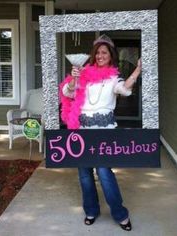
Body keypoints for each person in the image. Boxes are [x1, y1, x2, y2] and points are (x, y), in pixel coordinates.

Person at [59, 34, 141, 231]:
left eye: (104, 52)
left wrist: (138, 70)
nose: (100, 56)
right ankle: (91, 210)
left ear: (110, 55)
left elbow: (124, 88)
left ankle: (120, 214)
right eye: (97, 53)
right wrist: (73, 79)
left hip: (104, 131)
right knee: (85, 174)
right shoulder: (84, 73)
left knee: (104, 172)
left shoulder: (114, 77)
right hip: (83, 129)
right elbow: (67, 93)